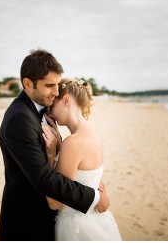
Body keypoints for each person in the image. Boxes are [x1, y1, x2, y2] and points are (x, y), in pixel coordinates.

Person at [0, 49, 110, 240]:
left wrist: (91, 179)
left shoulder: (45, 109)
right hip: (27, 221)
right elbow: (43, 178)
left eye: (58, 85)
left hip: (52, 216)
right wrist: (94, 197)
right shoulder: (20, 119)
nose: (57, 92)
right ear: (27, 83)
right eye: (49, 85)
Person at [41, 78, 122, 241]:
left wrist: (50, 157)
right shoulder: (93, 133)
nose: (49, 113)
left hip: (77, 227)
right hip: (97, 221)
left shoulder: (73, 142)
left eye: (51, 106)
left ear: (65, 100)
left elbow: (55, 203)